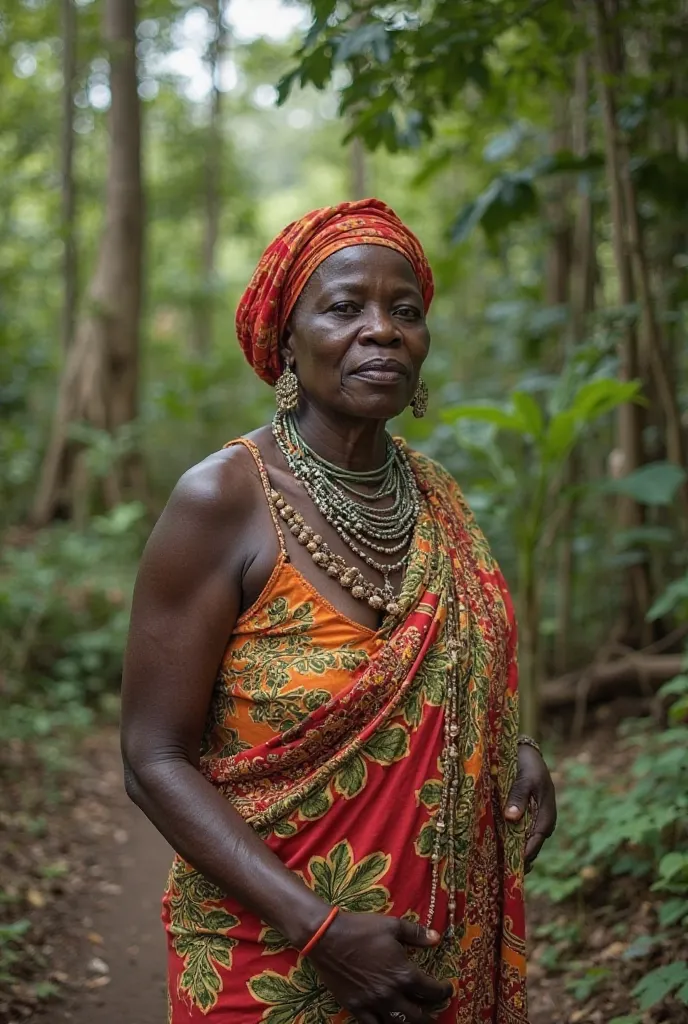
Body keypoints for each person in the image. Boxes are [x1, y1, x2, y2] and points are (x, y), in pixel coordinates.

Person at [121, 198, 556, 1024]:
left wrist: (517, 747)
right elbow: (153, 758)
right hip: (269, 951)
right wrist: (321, 930)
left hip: (430, 948)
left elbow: (458, 669)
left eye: (405, 312)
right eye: (346, 307)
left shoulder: (436, 497)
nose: (383, 331)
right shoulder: (222, 498)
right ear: (289, 340)